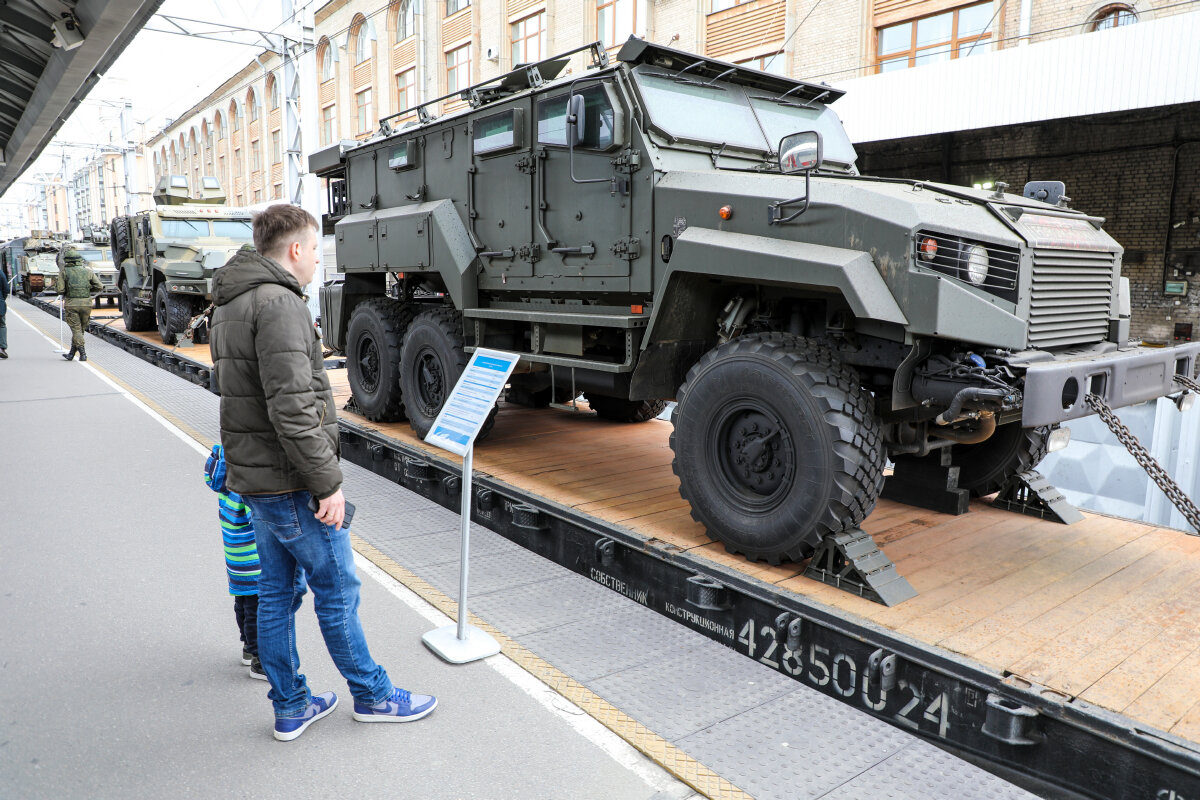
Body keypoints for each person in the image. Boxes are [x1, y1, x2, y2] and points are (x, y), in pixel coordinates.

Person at [209, 204, 436, 742]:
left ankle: (291, 704)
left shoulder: (230, 302)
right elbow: (293, 408)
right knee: (337, 588)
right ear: (294, 250)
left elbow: (238, 396)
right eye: (314, 249)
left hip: (257, 479)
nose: (316, 259)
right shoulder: (280, 304)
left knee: (275, 593)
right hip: (291, 481)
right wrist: (327, 483)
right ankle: (374, 695)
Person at [204, 443, 265, 681]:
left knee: (243, 602)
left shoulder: (225, 482)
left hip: (235, 556)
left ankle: (248, 648)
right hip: (255, 558)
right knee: (257, 609)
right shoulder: (246, 486)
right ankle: (260, 661)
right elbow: (259, 519)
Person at [57, 246, 102, 361]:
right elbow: (99, 286)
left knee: (76, 330)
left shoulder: (64, 272)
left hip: (72, 304)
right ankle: (71, 354)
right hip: (86, 304)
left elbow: (60, 290)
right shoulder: (88, 271)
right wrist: (87, 290)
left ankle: (83, 353)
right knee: (80, 330)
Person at [0, 259, 9, 359]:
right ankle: (2, 348)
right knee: (1, 325)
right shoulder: (1, 273)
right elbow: (6, 289)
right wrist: (2, 299)